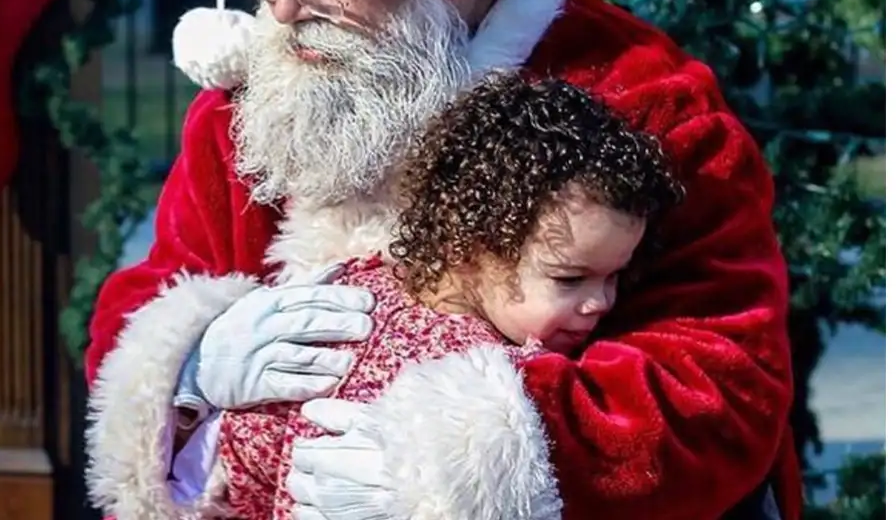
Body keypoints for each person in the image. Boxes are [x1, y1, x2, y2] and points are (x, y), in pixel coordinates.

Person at [84, 0, 799, 519]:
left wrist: (466, 465)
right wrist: (192, 360)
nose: (282, 8)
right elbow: (155, 286)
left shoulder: (639, 99)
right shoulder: (259, 91)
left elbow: (723, 380)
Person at [207, 74, 684, 520]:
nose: (600, 302)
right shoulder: (478, 379)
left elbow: (236, 461)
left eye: (615, 276)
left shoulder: (343, 286)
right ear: (469, 248)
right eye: (569, 278)